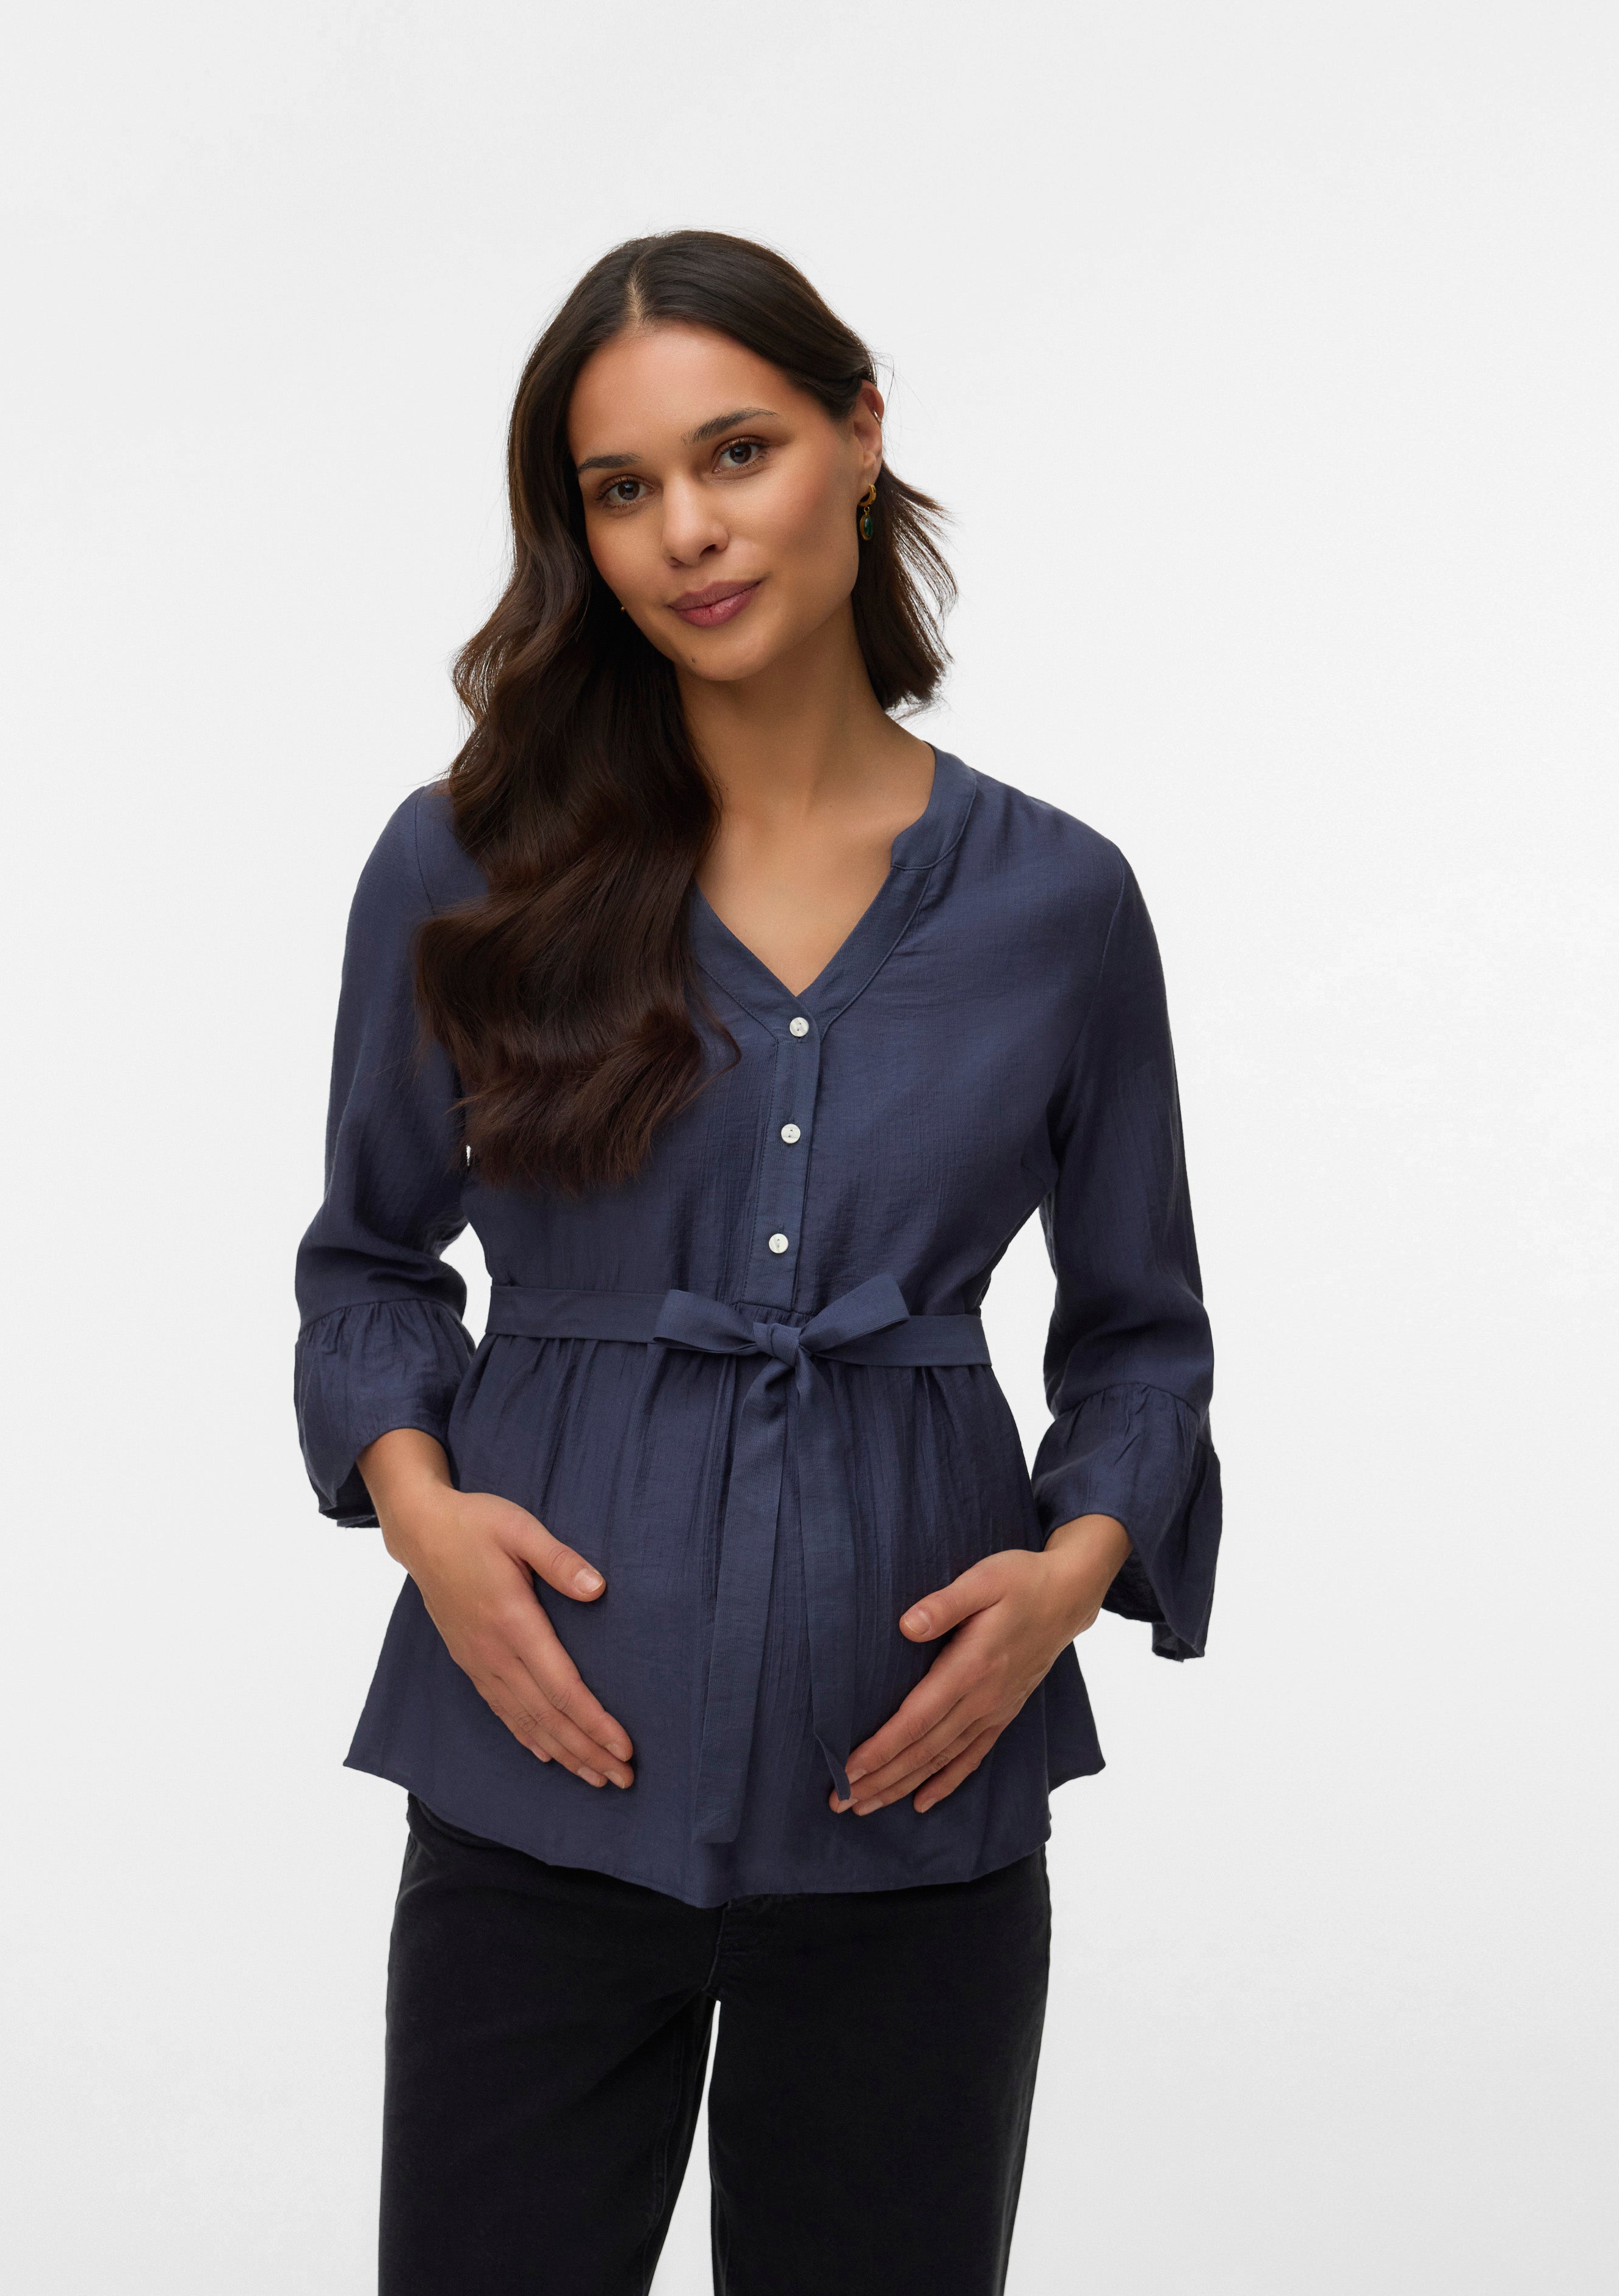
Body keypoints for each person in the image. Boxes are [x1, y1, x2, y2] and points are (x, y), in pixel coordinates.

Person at [294, 229, 1221, 2296]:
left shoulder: (1061, 903)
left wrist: (1070, 1576)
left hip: (918, 1811)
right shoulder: (465, 859)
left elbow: (1145, 1340)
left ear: (859, 434)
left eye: (737, 452)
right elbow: (363, 1263)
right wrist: (423, 1513)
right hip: (535, 1790)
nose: (689, 531)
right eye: (622, 488)